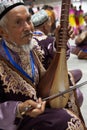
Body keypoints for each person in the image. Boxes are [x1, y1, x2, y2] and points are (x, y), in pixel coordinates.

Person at [0, 0, 86, 130]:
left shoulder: (34, 43)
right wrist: (19, 109)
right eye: (18, 23)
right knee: (66, 121)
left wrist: (60, 41)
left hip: (44, 103)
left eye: (28, 20)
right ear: (3, 32)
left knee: (72, 90)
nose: (28, 27)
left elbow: (52, 53)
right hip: (19, 120)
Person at [31, 9, 83, 107]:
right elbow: (64, 57)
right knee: (78, 94)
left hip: (35, 85)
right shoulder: (49, 40)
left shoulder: (25, 42)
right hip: (49, 85)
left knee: (77, 73)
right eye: (49, 22)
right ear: (45, 26)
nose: (51, 25)